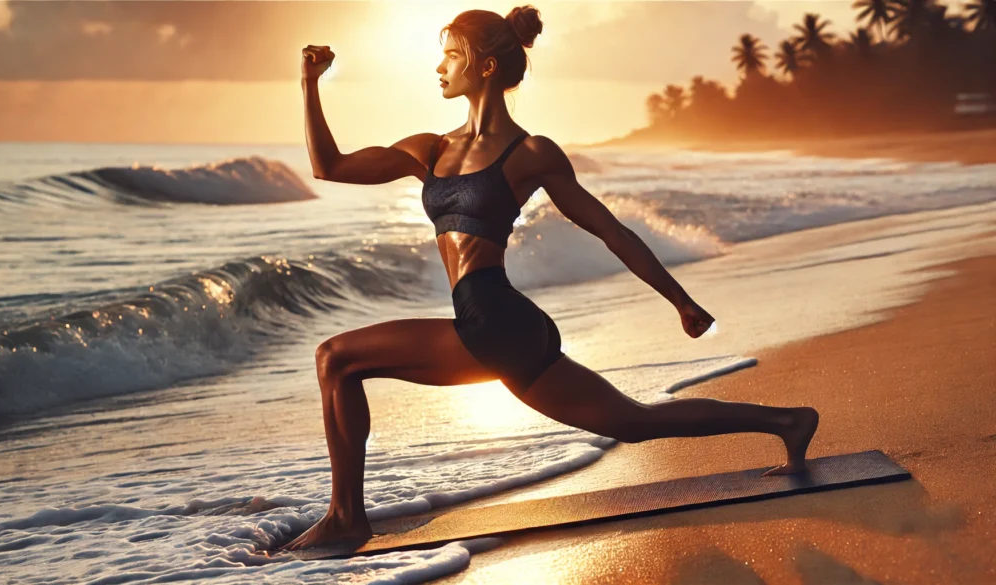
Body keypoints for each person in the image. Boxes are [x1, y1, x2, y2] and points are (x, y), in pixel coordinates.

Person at [284, 5, 819, 551]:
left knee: (336, 358)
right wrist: (309, 84)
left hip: (496, 323)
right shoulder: (430, 149)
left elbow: (611, 231)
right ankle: (787, 422)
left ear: (485, 66)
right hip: (501, 325)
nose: (438, 67)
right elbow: (330, 166)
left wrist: (681, 301)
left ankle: (347, 516)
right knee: (632, 422)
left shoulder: (531, 154)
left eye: (449, 55)